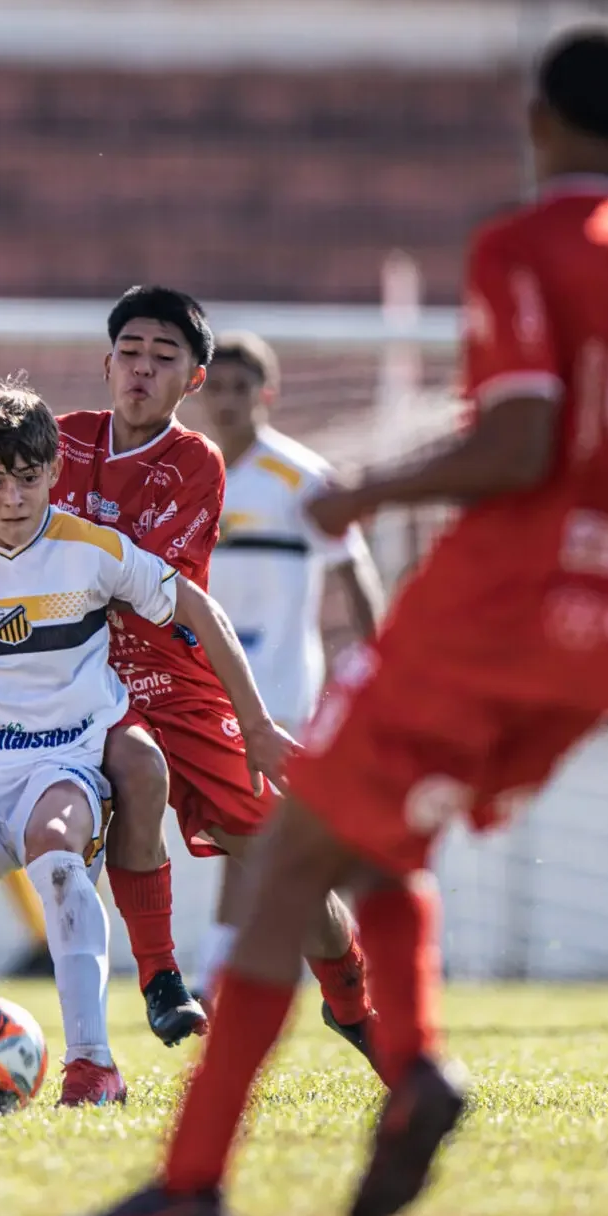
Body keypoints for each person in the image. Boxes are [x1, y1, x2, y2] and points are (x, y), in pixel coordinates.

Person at [65, 23, 608, 1216]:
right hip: (606, 634)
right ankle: (414, 1063)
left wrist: (368, 490)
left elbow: (521, 442)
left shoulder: (522, 243)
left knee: (282, 868)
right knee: (374, 847)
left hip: (487, 614)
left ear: (535, 121)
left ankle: (195, 1179)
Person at [0, 377, 283, 1107]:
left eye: (28, 478)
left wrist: (254, 722)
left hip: (63, 767)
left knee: (59, 854)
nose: (13, 498)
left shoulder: (91, 548)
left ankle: (94, 1064)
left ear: (54, 472)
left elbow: (195, 606)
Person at [52, 287, 379, 1060]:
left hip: (180, 686)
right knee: (111, 793)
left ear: (191, 380)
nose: (142, 369)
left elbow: (137, 582)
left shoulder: (197, 463)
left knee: (282, 864)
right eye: (129, 352)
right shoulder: (56, 441)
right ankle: (155, 987)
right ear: (106, 363)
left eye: (163, 357)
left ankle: (353, 1002)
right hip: (72, 686)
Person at [185, 330, 388, 1004]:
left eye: (242, 388)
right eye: (217, 387)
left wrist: (383, 665)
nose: (228, 401)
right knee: (245, 828)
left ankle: (223, 974)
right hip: (203, 677)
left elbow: (354, 570)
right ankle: (282, 965)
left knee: (253, 821)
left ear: (265, 395)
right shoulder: (188, 474)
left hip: (279, 681)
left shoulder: (300, 476)